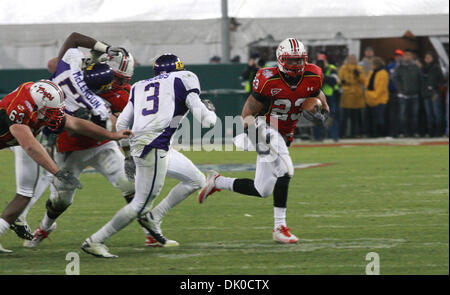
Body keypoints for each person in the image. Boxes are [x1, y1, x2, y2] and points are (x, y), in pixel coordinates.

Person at [81, 53, 217, 258]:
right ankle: (95, 240)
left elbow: (121, 124)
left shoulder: (139, 86)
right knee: (140, 204)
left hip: (148, 144)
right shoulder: (184, 78)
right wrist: (210, 110)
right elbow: (208, 122)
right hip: (154, 145)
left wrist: (127, 154)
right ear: (178, 68)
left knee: (196, 180)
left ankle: (154, 218)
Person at [197, 38, 330, 244]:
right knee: (286, 170)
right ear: (280, 60)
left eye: (299, 60)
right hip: (263, 128)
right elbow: (247, 112)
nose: (296, 65)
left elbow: (317, 93)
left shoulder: (314, 74)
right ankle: (280, 228)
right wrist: (255, 139)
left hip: (284, 134)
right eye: (291, 61)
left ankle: (217, 181)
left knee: (263, 189)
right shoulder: (267, 79)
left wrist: (322, 109)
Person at [10, 42, 138, 243]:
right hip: (67, 145)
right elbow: (54, 65)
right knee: (59, 196)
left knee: (130, 187)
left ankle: (152, 232)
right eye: (117, 79)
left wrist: (111, 130)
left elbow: (116, 124)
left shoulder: (119, 94)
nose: (119, 84)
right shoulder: (81, 79)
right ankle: (42, 226)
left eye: (122, 80)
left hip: (102, 145)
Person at [0, 80, 132, 252]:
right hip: (20, 139)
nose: (56, 115)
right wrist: (58, 172)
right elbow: (30, 146)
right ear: (39, 105)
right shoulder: (20, 110)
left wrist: (111, 135)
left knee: (25, 194)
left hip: (16, 139)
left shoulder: (41, 103)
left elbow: (76, 123)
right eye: (51, 111)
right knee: (26, 189)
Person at [393, 49, 422, 137]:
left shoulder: (416, 67)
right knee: (403, 115)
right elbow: (395, 79)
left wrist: (417, 89)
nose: (408, 57)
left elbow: (420, 78)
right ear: (403, 56)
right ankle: (403, 132)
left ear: (412, 56)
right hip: (403, 95)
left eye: (409, 55)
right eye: (406, 55)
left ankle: (414, 132)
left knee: (415, 115)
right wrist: (400, 90)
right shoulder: (399, 67)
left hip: (414, 94)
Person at [338, 54, 366, 138]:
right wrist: (342, 81)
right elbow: (339, 80)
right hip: (346, 94)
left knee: (355, 116)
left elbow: (363, 80)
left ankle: (354, 133)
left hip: (357, 95)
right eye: (350, 58)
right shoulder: (343, 68)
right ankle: (342, 134)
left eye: (354, 58)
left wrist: (358, 75)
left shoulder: (359, 69)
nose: (352, 60)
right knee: (345, 116)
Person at [315, 53, 339, 141]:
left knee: (331, 116)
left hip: (329, 96)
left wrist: (323, 76)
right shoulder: (314, 69)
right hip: (318, 97)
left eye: (322, 61)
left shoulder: (331, 68)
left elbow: (334, 81)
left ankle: (334, 137)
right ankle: (318, 137)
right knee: (317, 117)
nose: (321, 62)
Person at [421, 52, 444, 137]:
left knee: (437, 113)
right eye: (426, 57)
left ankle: (439, 131)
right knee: (429, 114)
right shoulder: (423, 69)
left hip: (435, 94)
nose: (427, 59)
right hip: (426, 94)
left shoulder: (436, 68)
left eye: (429, 57)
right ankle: (431, 132)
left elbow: (441, 80)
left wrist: (435, 88)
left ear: (432, 58)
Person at [365, 57, 390, 137]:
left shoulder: (383, 73)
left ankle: (382, 134)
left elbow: (381, 89)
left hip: (380, 100)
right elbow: (367, 84)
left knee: (380, 118)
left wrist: (370, 94)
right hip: (371, 100)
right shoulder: (372, 72)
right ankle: (373, 134)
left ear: (375, 64)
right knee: (372, 118)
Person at [386, 49, 404, 137]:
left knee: (402, 113)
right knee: (392, 113)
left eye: (400, 56)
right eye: (397, 56)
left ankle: (402, 131)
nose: (398, 57)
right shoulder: (390, 67)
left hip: (403, 93)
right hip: (392, 92)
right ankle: (394, 131)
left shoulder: (405, 66)